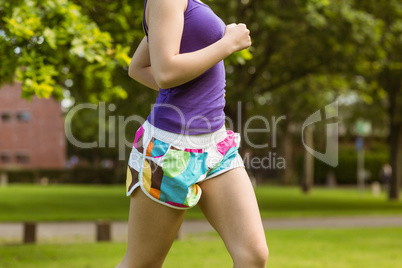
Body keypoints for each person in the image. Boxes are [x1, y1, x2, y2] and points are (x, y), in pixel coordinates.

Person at [116, 0, 269, 267]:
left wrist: (200, 94)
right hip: (169, 149)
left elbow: (138, 67)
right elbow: (164, 72)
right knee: (142, 263)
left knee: (253, 256)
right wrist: (228, 44)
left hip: (217, 146)